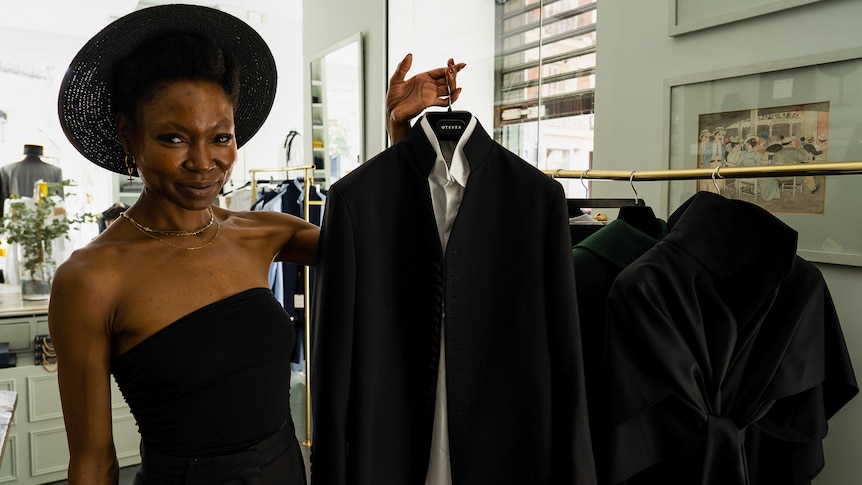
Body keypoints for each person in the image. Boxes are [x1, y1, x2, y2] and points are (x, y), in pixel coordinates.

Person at [49, 4, 464, 484]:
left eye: (220, 137)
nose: (204, 162)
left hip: (289, 470)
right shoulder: (92, 278)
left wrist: (399, 133)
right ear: (128, 135)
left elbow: (381, 250)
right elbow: (93, 461)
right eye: (173, 138)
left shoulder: (265, 233)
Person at [0, 144, 63, 218]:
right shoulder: (55, 171)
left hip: (15, 220)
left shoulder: (7, 170)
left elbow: (2, 201)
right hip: (44, 221)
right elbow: (60, 203)